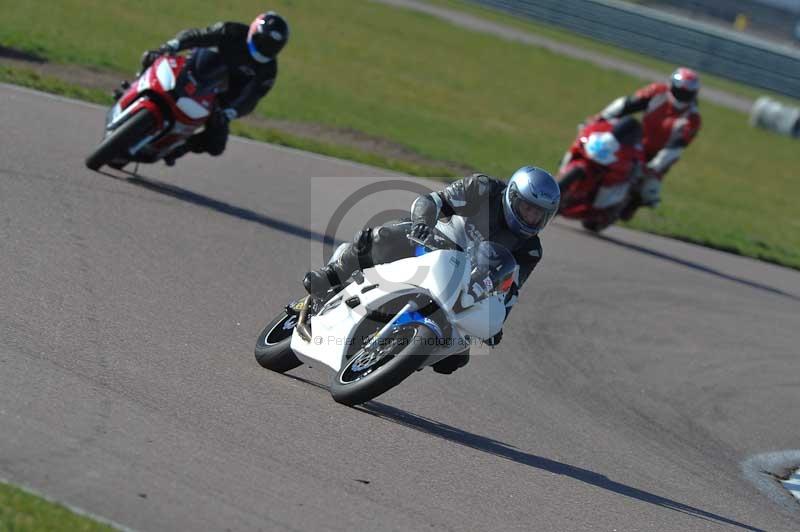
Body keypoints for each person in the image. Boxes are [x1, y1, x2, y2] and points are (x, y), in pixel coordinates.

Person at [302, 167, 561, 373]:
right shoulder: (483, 188)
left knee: (455, 360)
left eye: (539, 214)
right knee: (379, 239)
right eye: (528, 208)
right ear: (513, 196)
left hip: (469, 280)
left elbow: (511, 289)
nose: (531, 218)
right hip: (431, 241)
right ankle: (331, 275)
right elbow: (434, 201)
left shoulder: (531, 250)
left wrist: (499, 321)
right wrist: (423, 223)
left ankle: (404, 353)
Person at [136, 12, 289, 165]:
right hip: (193, 68)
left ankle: (179, 147)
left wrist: (229, 113)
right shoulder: (231, 31)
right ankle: (136, 85)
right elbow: (198, 35)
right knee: (152, 57)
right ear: (254, 30)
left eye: (271, 46)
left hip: (217, 99)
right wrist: (170, 47)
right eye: (262, 41)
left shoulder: (268, 70)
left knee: (217, 144)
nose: (264, 47)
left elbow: (252, 99)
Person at [596, 67, 701, 219]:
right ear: (671, 85)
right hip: (635, 142)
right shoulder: (657, 91)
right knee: (601, 148)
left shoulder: (693, 118)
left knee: (648, 191)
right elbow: (627, 105)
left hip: (657, 156)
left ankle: (628, 205)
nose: (682, 95)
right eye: (680, 90)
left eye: (687, 93)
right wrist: (602, 117)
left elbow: (676, 146)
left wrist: (654, 167)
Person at [557, 116, 645, 230]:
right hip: (595, 157)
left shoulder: (636, 149)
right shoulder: (606, 126)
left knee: (630, 186)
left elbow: (639, 163)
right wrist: (586, 128)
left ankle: (605, 212)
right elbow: (591, 126)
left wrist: (635, 168)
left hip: (612, 174)